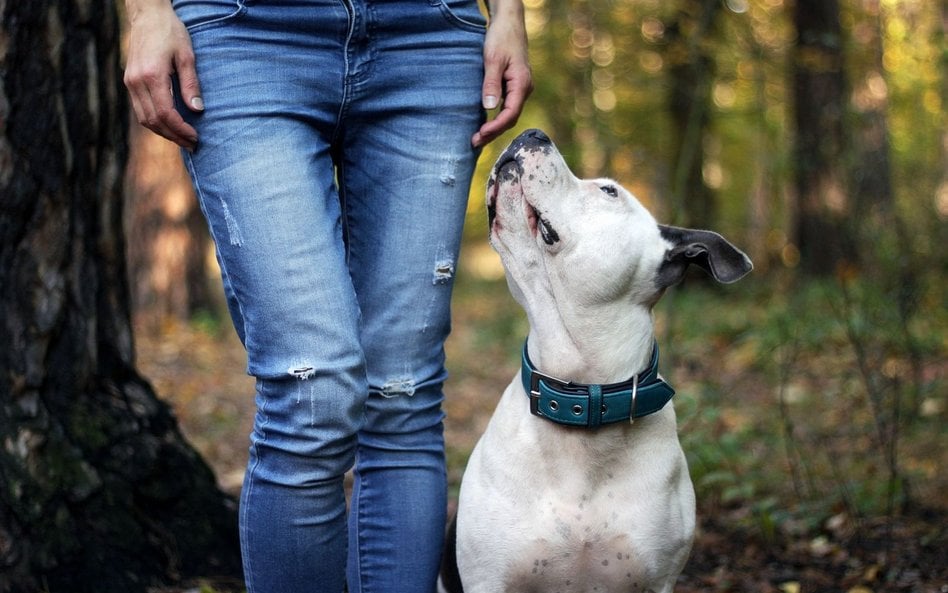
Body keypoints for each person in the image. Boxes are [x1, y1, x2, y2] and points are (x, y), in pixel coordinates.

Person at [122, 1, 532, 592]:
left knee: (403, 394)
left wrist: (510, 12)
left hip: (429, 36)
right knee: (313, 388)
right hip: (243, 35)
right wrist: (146, 11)